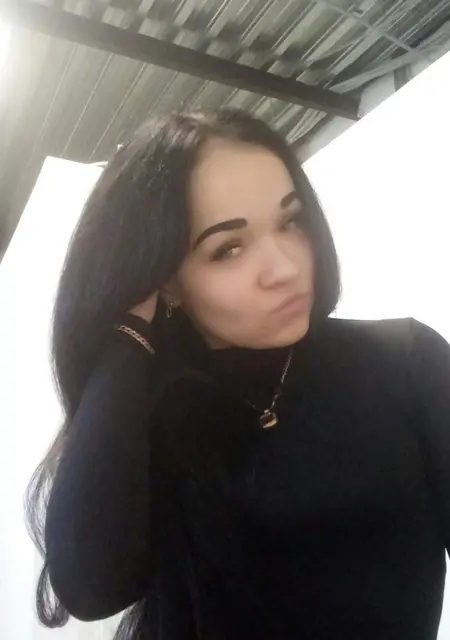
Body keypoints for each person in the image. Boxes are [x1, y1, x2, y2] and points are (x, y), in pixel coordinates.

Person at [26, 109, 450, 640]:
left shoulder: (403, 362)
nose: (285, 269)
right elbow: (91, 587)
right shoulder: (157, 409)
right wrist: (128, 330)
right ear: (166, 280)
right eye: (227, 249)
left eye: (290, 221)